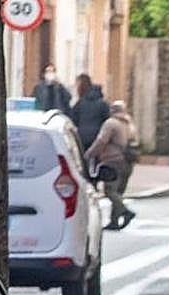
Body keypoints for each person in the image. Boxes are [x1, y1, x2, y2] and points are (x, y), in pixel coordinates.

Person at [86, 101, 137, 231]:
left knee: (110, 190)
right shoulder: (130, 124)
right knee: (119, 191)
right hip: (128, 162)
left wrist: (89, 154)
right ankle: (114, 221)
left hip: (112, 160)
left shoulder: (111, 123)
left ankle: (126, 212)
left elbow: (101, 141)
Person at [70, 74, 109, 150]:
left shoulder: (80, 103)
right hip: (98, 139)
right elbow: (107, 120)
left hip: (82, 139)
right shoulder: (102, 103)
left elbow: (73, 119)